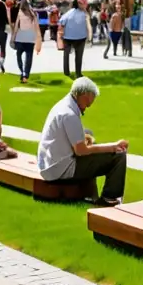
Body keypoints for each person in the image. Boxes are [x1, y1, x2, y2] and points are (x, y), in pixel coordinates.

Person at [37, 77, 128, 206]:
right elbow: (81, 151)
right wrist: (112, 147)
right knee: (119, 156)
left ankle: (92, 194)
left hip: (49, 164)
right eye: (88, 103)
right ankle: (109, 198)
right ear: (84, 96)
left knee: (89, 134)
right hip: (58, 169)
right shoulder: (69, 115)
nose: (87, 108)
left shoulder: (63, 105)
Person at [11, 0, 43, 83]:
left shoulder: (20, 12)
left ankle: (21, 71)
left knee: (19, 55)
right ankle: (26, 74)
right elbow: (36, 27)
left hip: (20, 36)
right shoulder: (33, 13)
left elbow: (17, 26)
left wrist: (13, 37)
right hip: (30, 37)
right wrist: (38, 39)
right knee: (29, 57)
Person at [58, 0, 90, 79]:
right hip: (81, 37)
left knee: (66, 55)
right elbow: (88, 25)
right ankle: (78, 73)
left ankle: (66, 71)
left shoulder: (69, 13)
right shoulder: (84, 14)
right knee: (79, 56)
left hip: (68, 37)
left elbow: (61, 22)